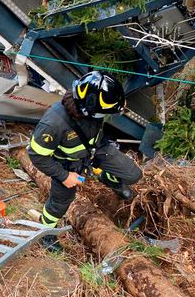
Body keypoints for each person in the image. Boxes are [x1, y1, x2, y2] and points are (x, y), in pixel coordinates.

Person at [27, 70, 143, 252]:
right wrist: (64, 176)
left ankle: (105, 177)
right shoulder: (53, 124)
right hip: (66, 164)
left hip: (95, 149)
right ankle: (45, 232)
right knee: (59, 204)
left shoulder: (93, 103)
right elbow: (36, 155)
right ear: (87, 109)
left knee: (133, 174)